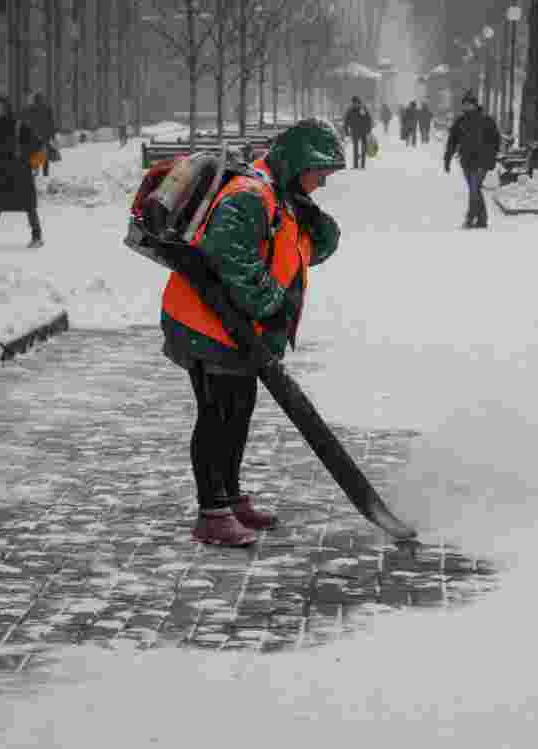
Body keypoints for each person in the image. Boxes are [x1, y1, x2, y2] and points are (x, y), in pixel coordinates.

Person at [161, 119, 344, 547]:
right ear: (300, 162)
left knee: (237, 410)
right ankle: (212, 513)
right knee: (218, 415)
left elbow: (313, 247)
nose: (323, 182)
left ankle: (229, 497)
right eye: (321, 172)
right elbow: (230, 256)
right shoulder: (250, 195)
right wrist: (271, 304)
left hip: (233, 324)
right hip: (207, 322)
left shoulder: (279, 196)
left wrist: (310, 213)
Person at [0, 95, 44, 249]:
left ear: (7, 108)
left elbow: (39, 145)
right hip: (2, 174)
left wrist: (35, 165)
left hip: (21, 172)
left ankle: (37, 237)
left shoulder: (19, 126)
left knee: (29, 206)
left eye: (1, 107)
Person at [443, 91, 501, 230]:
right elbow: (452, 141)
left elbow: (495, 141)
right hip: (467, 161)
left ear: (475, 105)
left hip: (482, 161)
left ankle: (470, 218)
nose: (467, 107)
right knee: (474, 190)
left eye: (469, 104)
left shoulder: (486, 120)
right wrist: (447, 158)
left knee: (474, 189)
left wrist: (491, 158)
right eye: (465, 105)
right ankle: (482, 219)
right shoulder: (460, 121)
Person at [20, 92, 56, 176]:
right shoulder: (47, 108)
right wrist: (52, 136)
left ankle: (36, 170)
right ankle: (45, 172)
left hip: (34, 136)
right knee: (44, 154)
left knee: (35, 153)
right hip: (44, 136)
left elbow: (25, 120)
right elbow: (51, 123)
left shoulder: (30, 109)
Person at [343, 96, 373, 169]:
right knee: (355, 149)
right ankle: (356, 165)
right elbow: (346, 121)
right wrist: (346, 131)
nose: (354, 104)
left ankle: (362, 165)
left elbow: (368, 119)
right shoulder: (350, 110)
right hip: (355, 131)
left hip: (363, 131)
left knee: (363, 148)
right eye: (353, 103)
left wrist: (368, 130)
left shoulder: (363, 109)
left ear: (358, 102)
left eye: (355, 103)